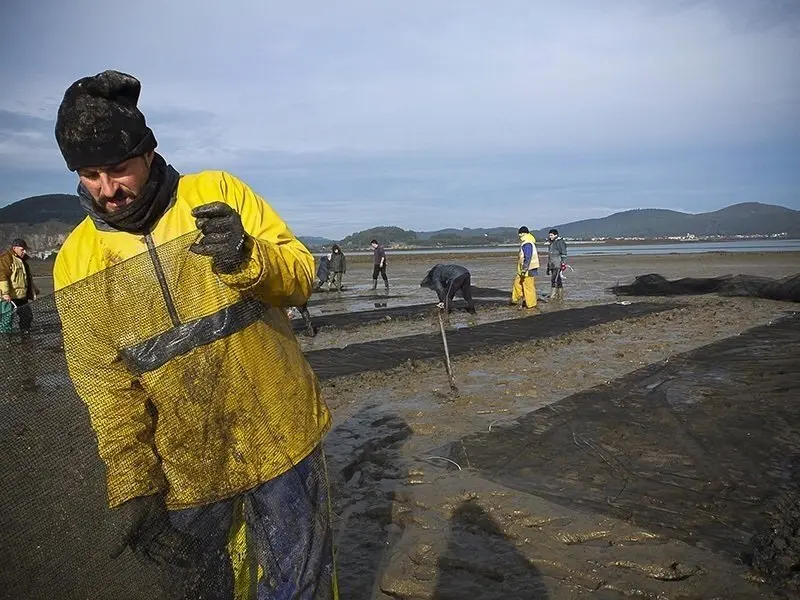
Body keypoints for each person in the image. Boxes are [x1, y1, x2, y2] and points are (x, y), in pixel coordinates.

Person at [51, 70, 334, 598]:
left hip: (280, 434)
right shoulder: (76, 260)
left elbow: (301, 278)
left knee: (300, 585)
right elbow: (104, 385)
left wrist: (249, 257)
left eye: (118, 169)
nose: (108, 190)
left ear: (149, 153)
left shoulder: (218, 192)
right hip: (185, 469)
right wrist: (132, 483)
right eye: (90, 174)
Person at [0, 238, 38, 333]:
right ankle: (5, 340)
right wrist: (5, 293)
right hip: (9, 297)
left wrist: (33, 290)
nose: (24, 252)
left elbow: (27, 278)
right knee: (6, 320)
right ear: (14, 248)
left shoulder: (23, 261)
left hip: (22, 296)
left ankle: (25, 335)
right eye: (22, 249)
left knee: (27, 316)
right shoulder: (6, 258)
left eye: (25, 249)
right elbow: (2, 276)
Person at [511, 226, 540, 312]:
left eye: (520, 233)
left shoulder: (527, 243)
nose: (519, 235)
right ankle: (517, 299)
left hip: (528, 269)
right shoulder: (526, 242)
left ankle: (531, 305)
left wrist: (525, 268)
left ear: (524, 233)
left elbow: (528, 256)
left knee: (528, 287)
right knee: (517, 284)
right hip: (523, 270)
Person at [546, 228, 568, 302]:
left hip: (557, 264)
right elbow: (550, 256)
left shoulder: (560, 242)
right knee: (558, 280)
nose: (550, 236)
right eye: (549, 235)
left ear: (556, 235)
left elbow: (564, 253)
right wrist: (548, 267)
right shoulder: (551, 243)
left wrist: (563, 263)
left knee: (554, 279)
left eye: (551, 235)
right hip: (552, 264)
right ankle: (559, 295)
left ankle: (553, 295)